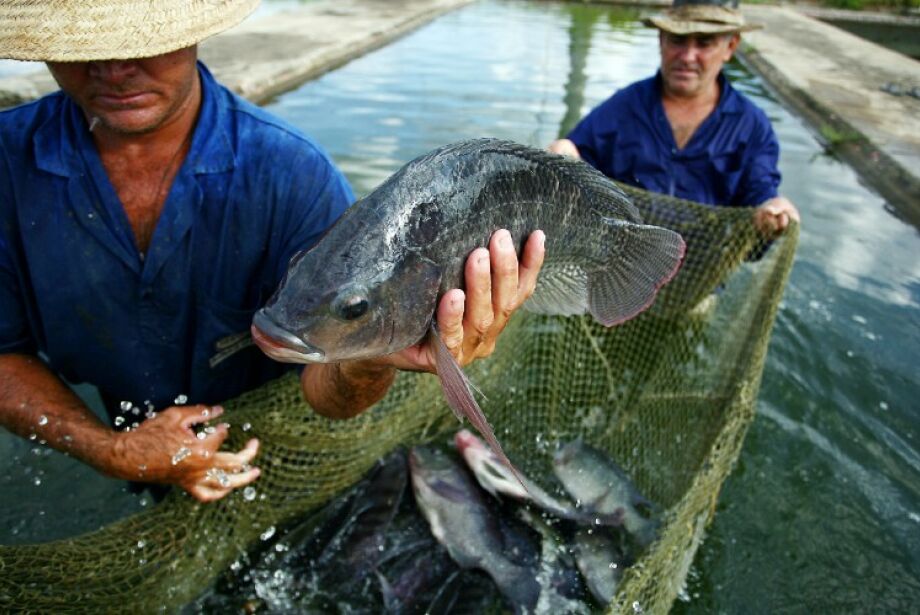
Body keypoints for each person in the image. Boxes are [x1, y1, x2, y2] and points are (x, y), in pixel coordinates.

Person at [0, 0, 544, 502]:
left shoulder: (294, 173)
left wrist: (371, 357)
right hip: (112, 424)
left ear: (195, 31)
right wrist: (110, 451)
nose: (114, 68)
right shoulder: (7, 161)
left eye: (142, 41)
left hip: (271, 451)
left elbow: (328, 392)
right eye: (84, 47)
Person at [549, 0, 800, 237]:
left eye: (704, 42)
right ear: (661, 40)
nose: (688, 56)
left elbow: (760, 194)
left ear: (731, 47)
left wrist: (773, 209)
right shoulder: (624, 106)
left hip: (703, 271)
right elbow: (579, 154)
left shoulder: (751, 126)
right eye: (678, 40)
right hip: (620, 266)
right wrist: (566, 152)